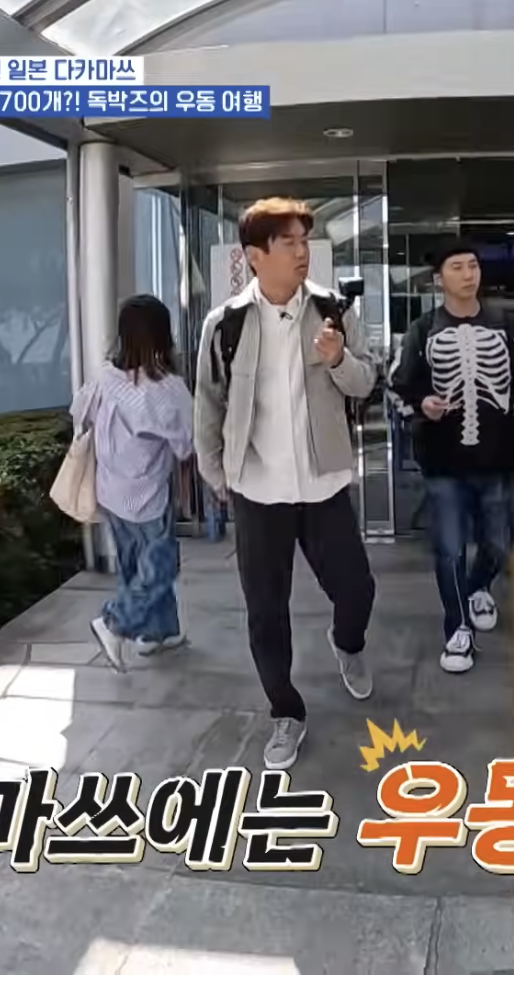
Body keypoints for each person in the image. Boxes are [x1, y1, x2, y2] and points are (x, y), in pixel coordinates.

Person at [192, 197, 379, 772]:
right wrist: (217, 474)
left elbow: (365, 382)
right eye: (288, 243)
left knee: (357, 590)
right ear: (255, 255)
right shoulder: (225, 324)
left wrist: (339, 359)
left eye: (304, 241)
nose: (302, 252)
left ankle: (347, 643)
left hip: (323, 486)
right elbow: (208, 404)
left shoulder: (332, 312)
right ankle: (286, 712)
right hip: (258, 492)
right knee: (266, 612)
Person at [390, 244, 514, 674]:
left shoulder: (505, 324)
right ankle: (457, 628)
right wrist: (422, 403)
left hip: (496, 458)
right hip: (443, 460)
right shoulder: (423, 328)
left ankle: (476, 587)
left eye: (473, 266)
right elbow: (400, 385)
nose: (468, 274)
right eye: (457, 267)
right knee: (449, 548)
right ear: (439, 279)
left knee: (498, 544)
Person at [78, 294, 196, 673]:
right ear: (163, 335)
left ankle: (159, 632)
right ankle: (114, 623)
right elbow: (186, 444)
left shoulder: (105, 377)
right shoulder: (166, 389)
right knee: (159, 568)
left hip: (111, 492)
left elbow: (80, 414)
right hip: (148, 497)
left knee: (134, 567)